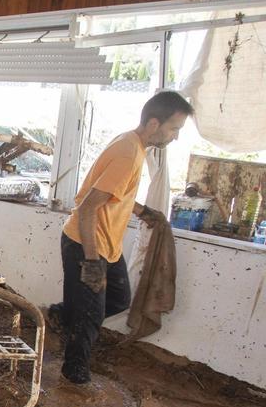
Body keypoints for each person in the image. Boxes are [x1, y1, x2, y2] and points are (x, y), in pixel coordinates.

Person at [49, 91, 193, 384]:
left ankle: (61, 315)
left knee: (118, 298)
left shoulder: (134, 145)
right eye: (174, 128)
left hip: (107, 245)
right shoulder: (128, 153)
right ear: (154, 123)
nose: (175, 136)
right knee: (90, 317)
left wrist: (142, 210)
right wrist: (92, 264)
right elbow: (88, 207)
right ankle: (74, 376)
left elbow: (115, 194)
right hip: (85, 243)